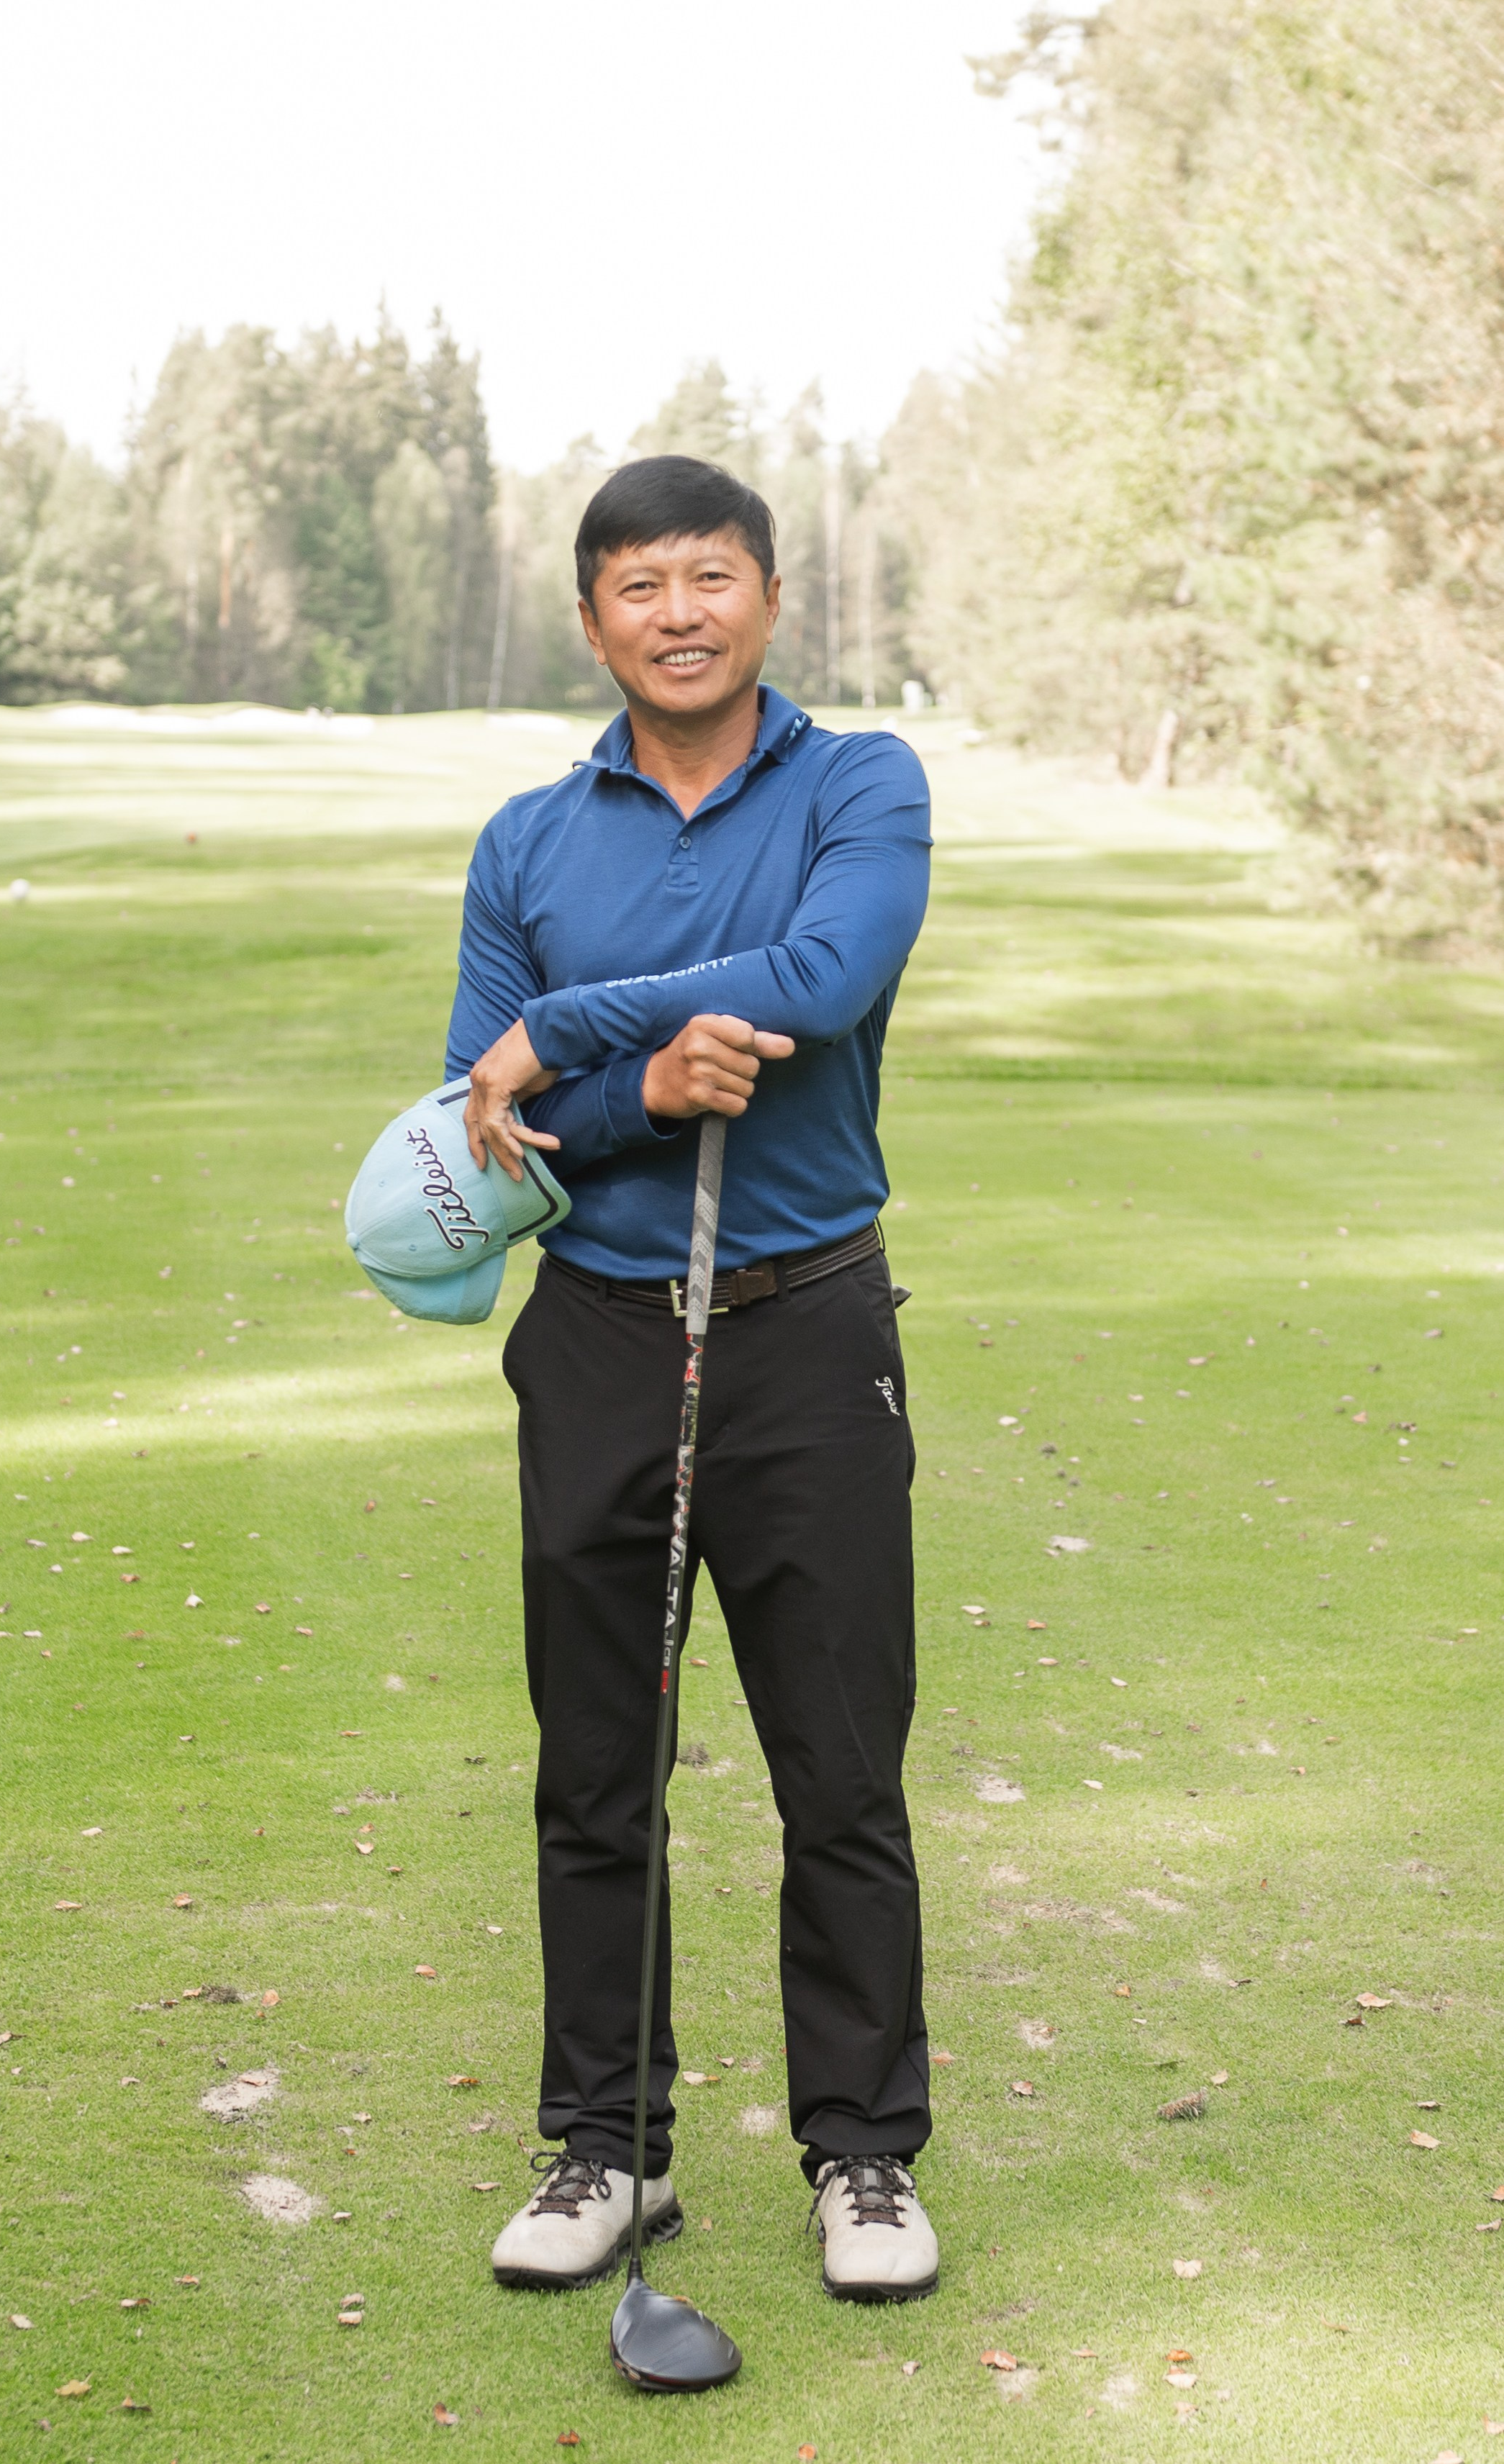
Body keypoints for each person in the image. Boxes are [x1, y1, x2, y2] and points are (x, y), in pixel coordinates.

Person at [446, 454, 938, 2304]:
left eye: (709, 576)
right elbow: (481, 1118)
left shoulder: (858, 783)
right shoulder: (525, 838)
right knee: (596, 1771)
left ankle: (864, 2159)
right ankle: (607, 2147)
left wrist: (567, 1037)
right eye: (638, 585)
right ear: (591, 621)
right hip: (595, 1332)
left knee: (838, 1766)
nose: (677, 611)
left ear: (768, 597)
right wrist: (639, 1093)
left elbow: (822, 970)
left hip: (804, 1327)